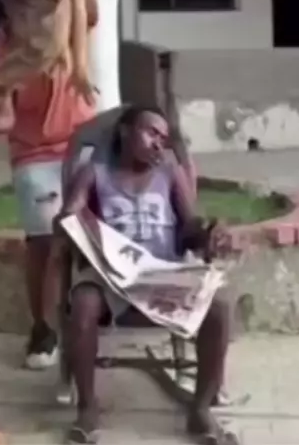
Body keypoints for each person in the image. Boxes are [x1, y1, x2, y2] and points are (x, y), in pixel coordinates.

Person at [57, 106, 230, 444]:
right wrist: (69, 220)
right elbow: (69, 215)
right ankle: (88, 407)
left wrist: (209, 232)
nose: (158, 144)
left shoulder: (170, 174)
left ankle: (201, 409)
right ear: (124, 131)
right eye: (151, 133)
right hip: (112, 276)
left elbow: (189, 226)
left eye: (163, 139)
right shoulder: (94, 173)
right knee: (83, 302)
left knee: (220, 305)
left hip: (162, 274)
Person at [0, 0, 97, 370]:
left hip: (83, 143)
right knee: (44, 240)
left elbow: (89, 7)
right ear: (5, 0)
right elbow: (1, 121)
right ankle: (43, 329)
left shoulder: (65, 22)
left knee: (96, 231)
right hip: (35, 153)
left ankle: (92, 315)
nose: (32, 3)